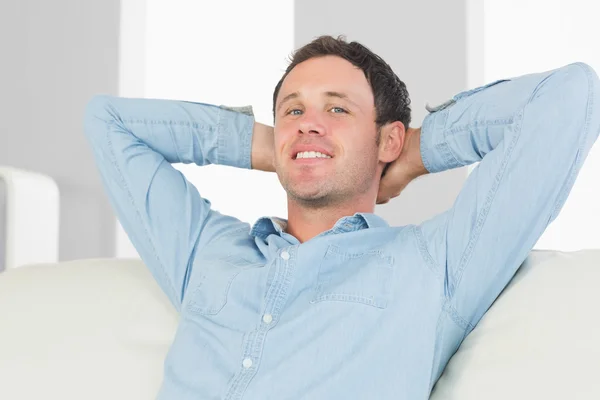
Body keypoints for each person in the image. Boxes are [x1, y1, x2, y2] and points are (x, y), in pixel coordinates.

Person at [84, 35, 600, 399]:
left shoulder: (435, 266)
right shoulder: (209, 254)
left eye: (337, 110)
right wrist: (271, 146)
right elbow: (107, 121)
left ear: (386, 138)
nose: (308, 123)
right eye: (293, 109)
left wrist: (414, 154)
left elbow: (569, 95)